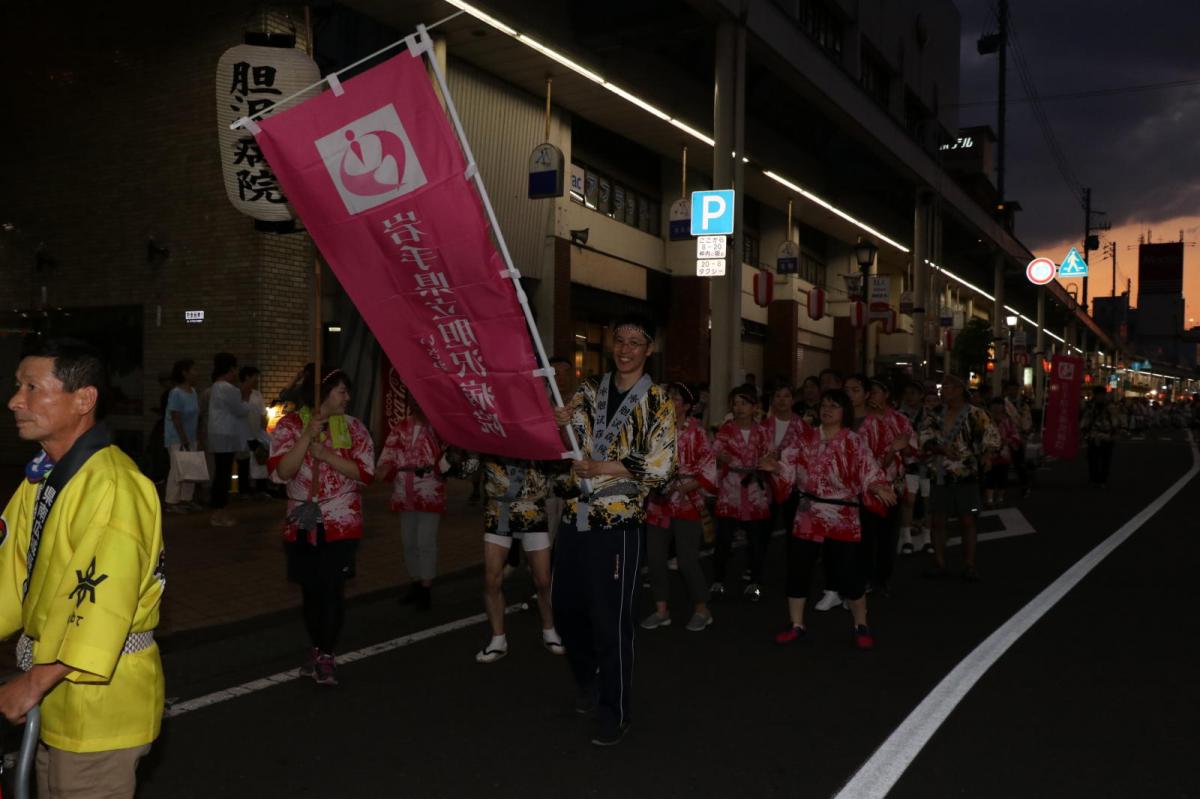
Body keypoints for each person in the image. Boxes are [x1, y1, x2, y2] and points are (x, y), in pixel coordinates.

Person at [0, 339, 165, 797]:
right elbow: (11, 576)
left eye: (32, 388)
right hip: (59, 698)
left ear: (84, 400)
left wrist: (33, 681)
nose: (16, 401)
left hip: (101, 705)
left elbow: (102, 606)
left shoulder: (113, 484)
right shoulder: (45, 476)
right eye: (18, 387)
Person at [551, 312, 675, 747]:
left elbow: (660, 467)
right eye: (619, 340)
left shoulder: (658, 400)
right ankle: (589, 680)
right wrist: (560, 420)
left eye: (635, 342)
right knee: (563, 611)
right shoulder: (589, 391)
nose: (625, 349)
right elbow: (568, 445)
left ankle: (614, 710)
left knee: (611, 621)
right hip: (576, 516)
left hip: (618, 525)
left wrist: (601, 466)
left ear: (649, 350)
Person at [761, 388, 896, 649]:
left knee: (848, 574)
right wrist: (775, 467)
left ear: (844, 411)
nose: (827, 410)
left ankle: (860, 623)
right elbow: (788, 469)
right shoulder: (804, 439)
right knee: (798, 569)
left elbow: (869, 470)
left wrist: (878, 486)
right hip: (808, 513)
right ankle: (796, 624)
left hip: (841, 514)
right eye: (824, 405)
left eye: (834, 406)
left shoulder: (854, 442)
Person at [268, 368, 375, 686]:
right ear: (323, 393)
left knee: (332, 588)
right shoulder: (288, 427)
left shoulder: (355, 429)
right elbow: (280, 473)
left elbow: (366, 474)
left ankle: (327, 652)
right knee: (310, 590)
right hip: (301, 521)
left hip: (342, 520)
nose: (347, 397)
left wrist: (326, 455)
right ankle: (316, 647)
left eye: (347, 392)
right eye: (341, 391)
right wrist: (306, 438)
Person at [460, 454, 563, 662]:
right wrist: (461, 450)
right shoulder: (489, 434)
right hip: (499, 511)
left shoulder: (535, 431)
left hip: (533, 511)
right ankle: (498, 639)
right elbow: (466, 470)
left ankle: (549, 629)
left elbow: (558, 474)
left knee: (543, 580)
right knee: (492, 579)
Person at [641, 382, 718, 632]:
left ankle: (702, 608)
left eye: (674, 399)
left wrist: (685, 486)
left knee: (686, 559)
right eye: (667, 398)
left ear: (686, 406)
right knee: (654, 558)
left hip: (686, 502)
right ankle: (661, 609)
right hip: (658, 503)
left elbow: (709, 469)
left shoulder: (697, 433)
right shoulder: (654, 430)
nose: (668, 403)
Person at [919, 375, 1000, 582]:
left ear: (958, 389)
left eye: (947, 386)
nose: (942, 390)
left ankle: (970, 564)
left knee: (968, 520)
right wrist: (939, 449)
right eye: (942, 386)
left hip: (966, 473)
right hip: (940, 473)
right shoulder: (934, 414)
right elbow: (924, 438)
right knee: (938, 520)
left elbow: (991, 438)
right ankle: (939, 562)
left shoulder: (976, 414)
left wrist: (987, 455)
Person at [377, 399, 451, 611]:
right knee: (408, 541)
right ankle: (415, 582)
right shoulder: (400, 427)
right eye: (414, 402)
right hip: (403, 491)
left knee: (425, 541)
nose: (418, 406)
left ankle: (426, 588)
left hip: (429, 490)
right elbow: (388, 455)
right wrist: (381, 470)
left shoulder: (438, 429)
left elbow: (450, 457)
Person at [712, 385, 774, 602]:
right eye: (735, 403)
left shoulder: (764, 431)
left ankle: (754, 583)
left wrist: (766, 464)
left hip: (754, 489)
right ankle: (717, 580)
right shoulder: (725, 429)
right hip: (731, 489)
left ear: (755, 407)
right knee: (724, 539)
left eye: (744, 403)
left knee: (756, 540)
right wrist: (721, 458)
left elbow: (770, 456)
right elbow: (715, 450)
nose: (739, 408)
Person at [861, 378, 914, 594]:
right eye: (869, 392)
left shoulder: (900, 420)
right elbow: (865, 459)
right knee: (867, 534)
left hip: (893, 484)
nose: (872, 396)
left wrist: (900, 449)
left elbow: (911, 452)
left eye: (875, 391)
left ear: (886, 394)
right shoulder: (863, 421)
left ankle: (882, 578)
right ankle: (865, 576)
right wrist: (893, 450)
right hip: (868, 484)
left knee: (888, 534)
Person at [207, 353, 251, 527]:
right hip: (225, 435)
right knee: (223, 475)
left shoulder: (217, 386)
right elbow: (241, 410)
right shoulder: (227, 388)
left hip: (218, 434)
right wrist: (246, 396)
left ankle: (219, 511)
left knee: (221, 473)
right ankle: (219, 513)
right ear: (231, 368)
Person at [163, 358, 200, 513]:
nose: (196, 373)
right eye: (193, 370)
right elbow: (176, 418)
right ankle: (171, 502)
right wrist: (184, 438)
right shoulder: (176, 393)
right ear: (185, 373)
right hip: (177, 438)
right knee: (177, 469)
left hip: (190, 437)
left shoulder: (193, 392)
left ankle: (186, 499)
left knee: (190, 468)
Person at [235, 365, 270, 499]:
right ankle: (243, 490)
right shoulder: (236, 393)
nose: (257, 380)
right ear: (248, 377)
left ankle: (261, 489)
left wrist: (263, 427)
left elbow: (263, 413)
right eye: (255, 377)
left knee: (260, 459)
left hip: (256, 433)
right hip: (241, 434)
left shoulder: (257, 394)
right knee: (243, 463)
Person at [1081, 386, 1123, 486]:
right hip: (1093, 435)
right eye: (1097, 395)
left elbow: (1115, 421)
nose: (1099, 397)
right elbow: (1085, 419)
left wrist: (1113, 432)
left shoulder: (1110, 407)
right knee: (1092, 459)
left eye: (1101, 395)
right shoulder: (1090, 406)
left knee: (1105, 459)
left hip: (1106, 436)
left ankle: (1102, 479)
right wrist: (1084, 431)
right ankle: (1093, 478)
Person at [985, 397, 1019, 508]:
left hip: (1004, 453)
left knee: (1002, 477)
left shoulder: (1008, 420)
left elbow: (1015, 435)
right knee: (990, 477)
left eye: (999, 406)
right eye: (994, 406)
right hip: (989, 453)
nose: (996, 408)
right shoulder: (984, 419)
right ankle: (989, 500)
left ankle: (1000, 498)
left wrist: (1007, 440)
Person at [1003, 380, 1034, 497]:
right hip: (1005, 436)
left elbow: (1027, 418)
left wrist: (1027, 429)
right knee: (1003, 464)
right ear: (1006, 390)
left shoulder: (1023, 404)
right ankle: (1001, 489)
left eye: (1015, 389)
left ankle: (1025, 486)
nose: (1013, 391)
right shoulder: (1004, 404)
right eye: (1011, 389)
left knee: (1019, 463)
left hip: (1018, 436)